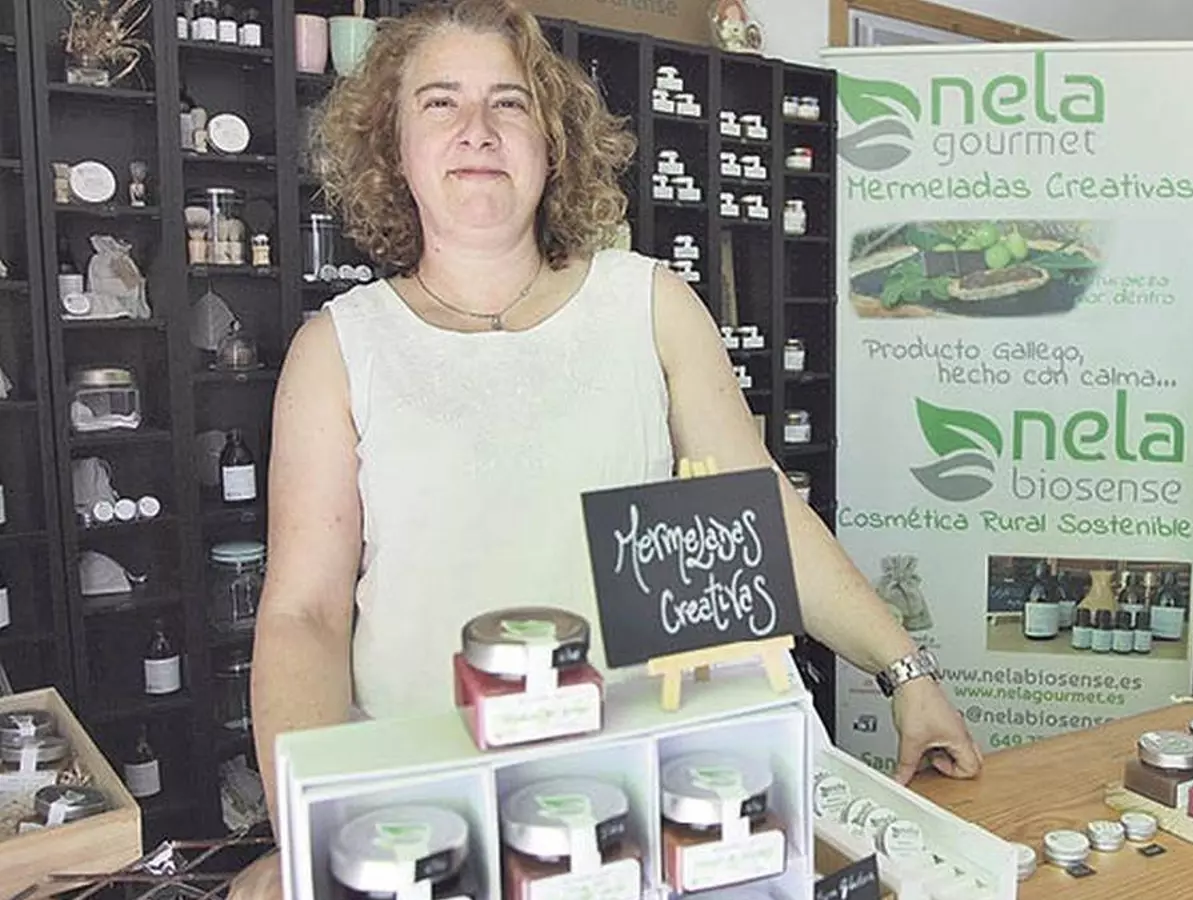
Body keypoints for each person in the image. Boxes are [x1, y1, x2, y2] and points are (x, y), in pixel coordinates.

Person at [229, 1, 979, 895]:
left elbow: (759, 511)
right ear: (392, 146)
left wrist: (904, 669)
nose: (477, 129)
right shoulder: (340, 348)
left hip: (653, 792)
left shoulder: (648, 305)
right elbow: (304, 615)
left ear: (554, 143)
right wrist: (311, 825)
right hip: (434, 808)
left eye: (510, 103)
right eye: (440, 102)